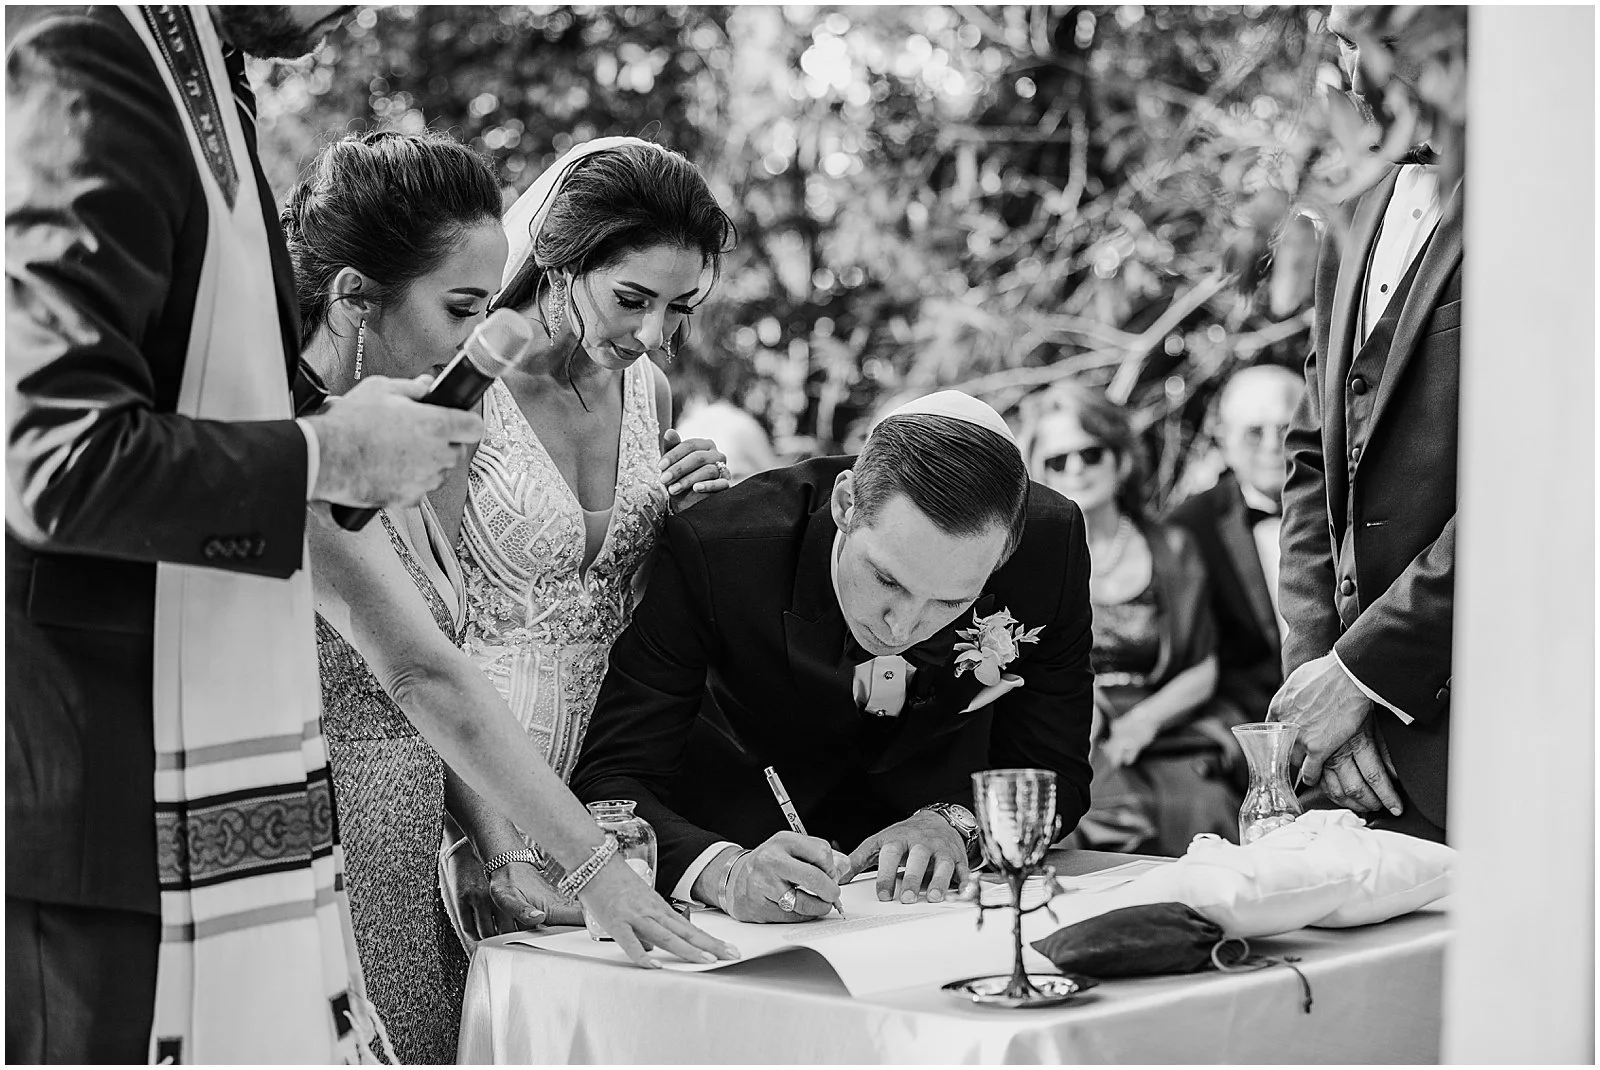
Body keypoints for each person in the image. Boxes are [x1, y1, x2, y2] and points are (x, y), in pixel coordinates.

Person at [5, 7, 487, 1063]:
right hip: (104, 804)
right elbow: (52, 460)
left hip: (198, 793)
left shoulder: (203, 77)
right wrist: (328, 456)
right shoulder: (89, 49)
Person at [287, 131, 741, 1059]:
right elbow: (428, 667)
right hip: (367, 835)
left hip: (481, 816)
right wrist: (578, 865)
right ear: (355, 300)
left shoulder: (388, 429)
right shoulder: (320, 445)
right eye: (463, 308)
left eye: (679, 307)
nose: (482, 341)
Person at [572, 391, 1096, 921]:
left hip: (942, 905)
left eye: (950, 602)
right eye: (887, 579)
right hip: (745, 863)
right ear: (846, 504)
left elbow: (1054, 770)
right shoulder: (721, 546)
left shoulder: (1050, 548)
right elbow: (613, 781)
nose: (903, 625)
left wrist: (957, 822)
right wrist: (724, 872)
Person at [440, 137, 737, 941]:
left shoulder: (651, 391)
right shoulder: (464, 387)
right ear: (559, 260)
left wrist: (694, 519)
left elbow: (636, 607)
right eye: (632, 298)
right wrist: (494, 849)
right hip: (474, 788)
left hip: (612, 797)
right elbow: (423, 635)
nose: (653, 332)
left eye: (679, 307)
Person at [1270, 4, 1464, 844]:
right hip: (1345, 762)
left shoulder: (1559, 195)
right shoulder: (1350, 205)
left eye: (1383, 49)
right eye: (1345, 47)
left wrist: (1366, 672)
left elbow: (1555, 475)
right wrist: (1319, 675)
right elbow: (1315, 452)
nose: (1355, 80)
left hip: (1490, 732)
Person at [1019, 382, 1235, 857]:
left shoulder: (1174, 548)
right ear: (1036, 472)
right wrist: (1079, 714)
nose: (1075, 468)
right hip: (1069, 733)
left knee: (1204, 807)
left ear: (1119, 459)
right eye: (1058, 461)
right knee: (1079, 823)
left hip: (1162, 729)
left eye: (1091, 453)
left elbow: (1203, 667)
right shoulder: (1023, 564)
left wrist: (1142, 724)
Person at [1168, 364, 1305, 730]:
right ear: (1224, 438)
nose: (1273, 446)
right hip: (1241, 734)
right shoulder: (1188, 527)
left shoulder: (1353, 511)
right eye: (1254, 433)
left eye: (1286, 429)